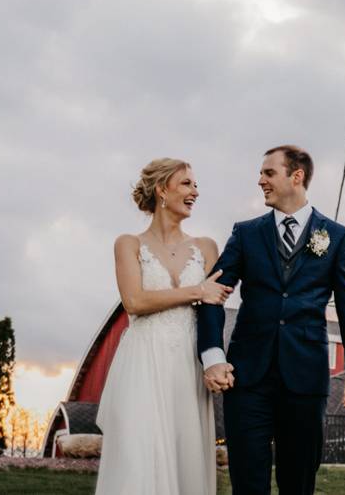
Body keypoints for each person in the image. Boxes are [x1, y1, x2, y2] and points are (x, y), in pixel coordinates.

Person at [198, 145, 345, 495]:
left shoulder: (335, 237)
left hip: (305, 380)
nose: (260, 180)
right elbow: (211, 293)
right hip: (247, 379)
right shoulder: (246, 233)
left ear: (297, 176)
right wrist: (213, 355)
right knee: (248, 483)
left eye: (268, 173)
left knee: (298, 483)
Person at [96, 159, 233, 495]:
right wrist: (197, 291)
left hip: (187, 363)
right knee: (138, 455)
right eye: (186, 184)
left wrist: (216, 358)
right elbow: (135, 302)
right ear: (161, 190)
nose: (195, 192)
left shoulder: (206, 247)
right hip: (143, 361)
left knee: (185, 454)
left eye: (195, 185)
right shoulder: (128, 243)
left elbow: (215, 309)